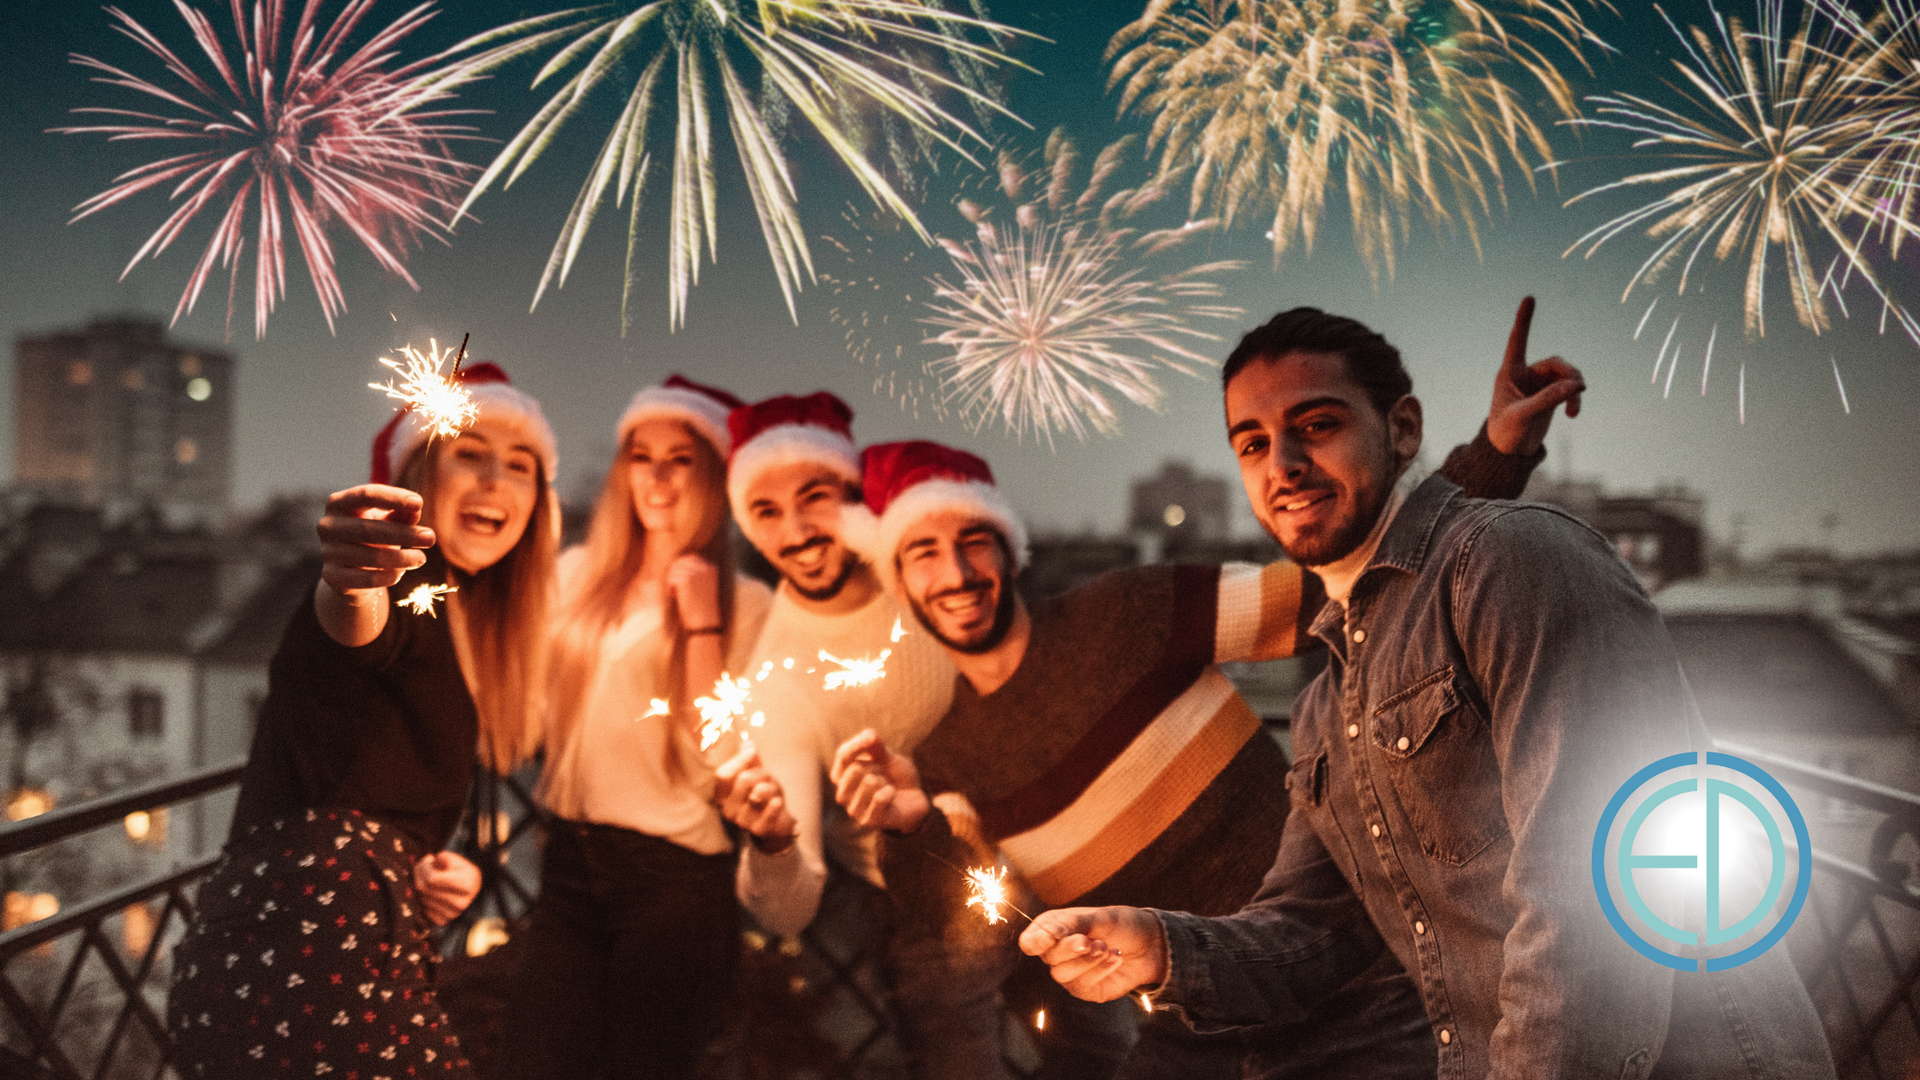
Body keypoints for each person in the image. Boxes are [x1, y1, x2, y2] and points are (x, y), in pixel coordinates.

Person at [1015, 301, 1838, 1079]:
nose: (1286, 464)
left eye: (1317, 425)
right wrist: (1159, 946)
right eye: (1254, 443)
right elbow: (1314, 935)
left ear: (1402, 429)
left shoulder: (1510, 563)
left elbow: (1591, 903)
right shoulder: (1324, 702)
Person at [823, 301, 1575, 1078]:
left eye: (972, 541)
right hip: (1185, 1023)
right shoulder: (948, 754)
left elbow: (1342, 585)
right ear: (898, 581)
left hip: (1346, 983)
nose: (954, 574)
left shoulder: (1127, 612)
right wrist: (909, 824)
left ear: (1008, 551)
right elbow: (952, 927)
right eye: (921, 553)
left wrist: (1496, 453)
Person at [168, 364, 560, 1079]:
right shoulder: (405, 582)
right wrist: (353, 579)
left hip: (340, 945)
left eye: (521, 466)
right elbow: (357, 630)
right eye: (470, 453)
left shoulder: (459, 617)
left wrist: (429, 875)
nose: (496, 480)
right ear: (419, 470)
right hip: (303, 950)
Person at [498, 376, 778, 1080]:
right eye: (639, 455)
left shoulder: (749, 604)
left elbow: (725, 751)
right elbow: (523, 718)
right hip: (567, 865)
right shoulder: (575, 577)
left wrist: (703, 622)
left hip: (675, 884)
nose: (655, 477)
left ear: (713, 475)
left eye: (679, 458)